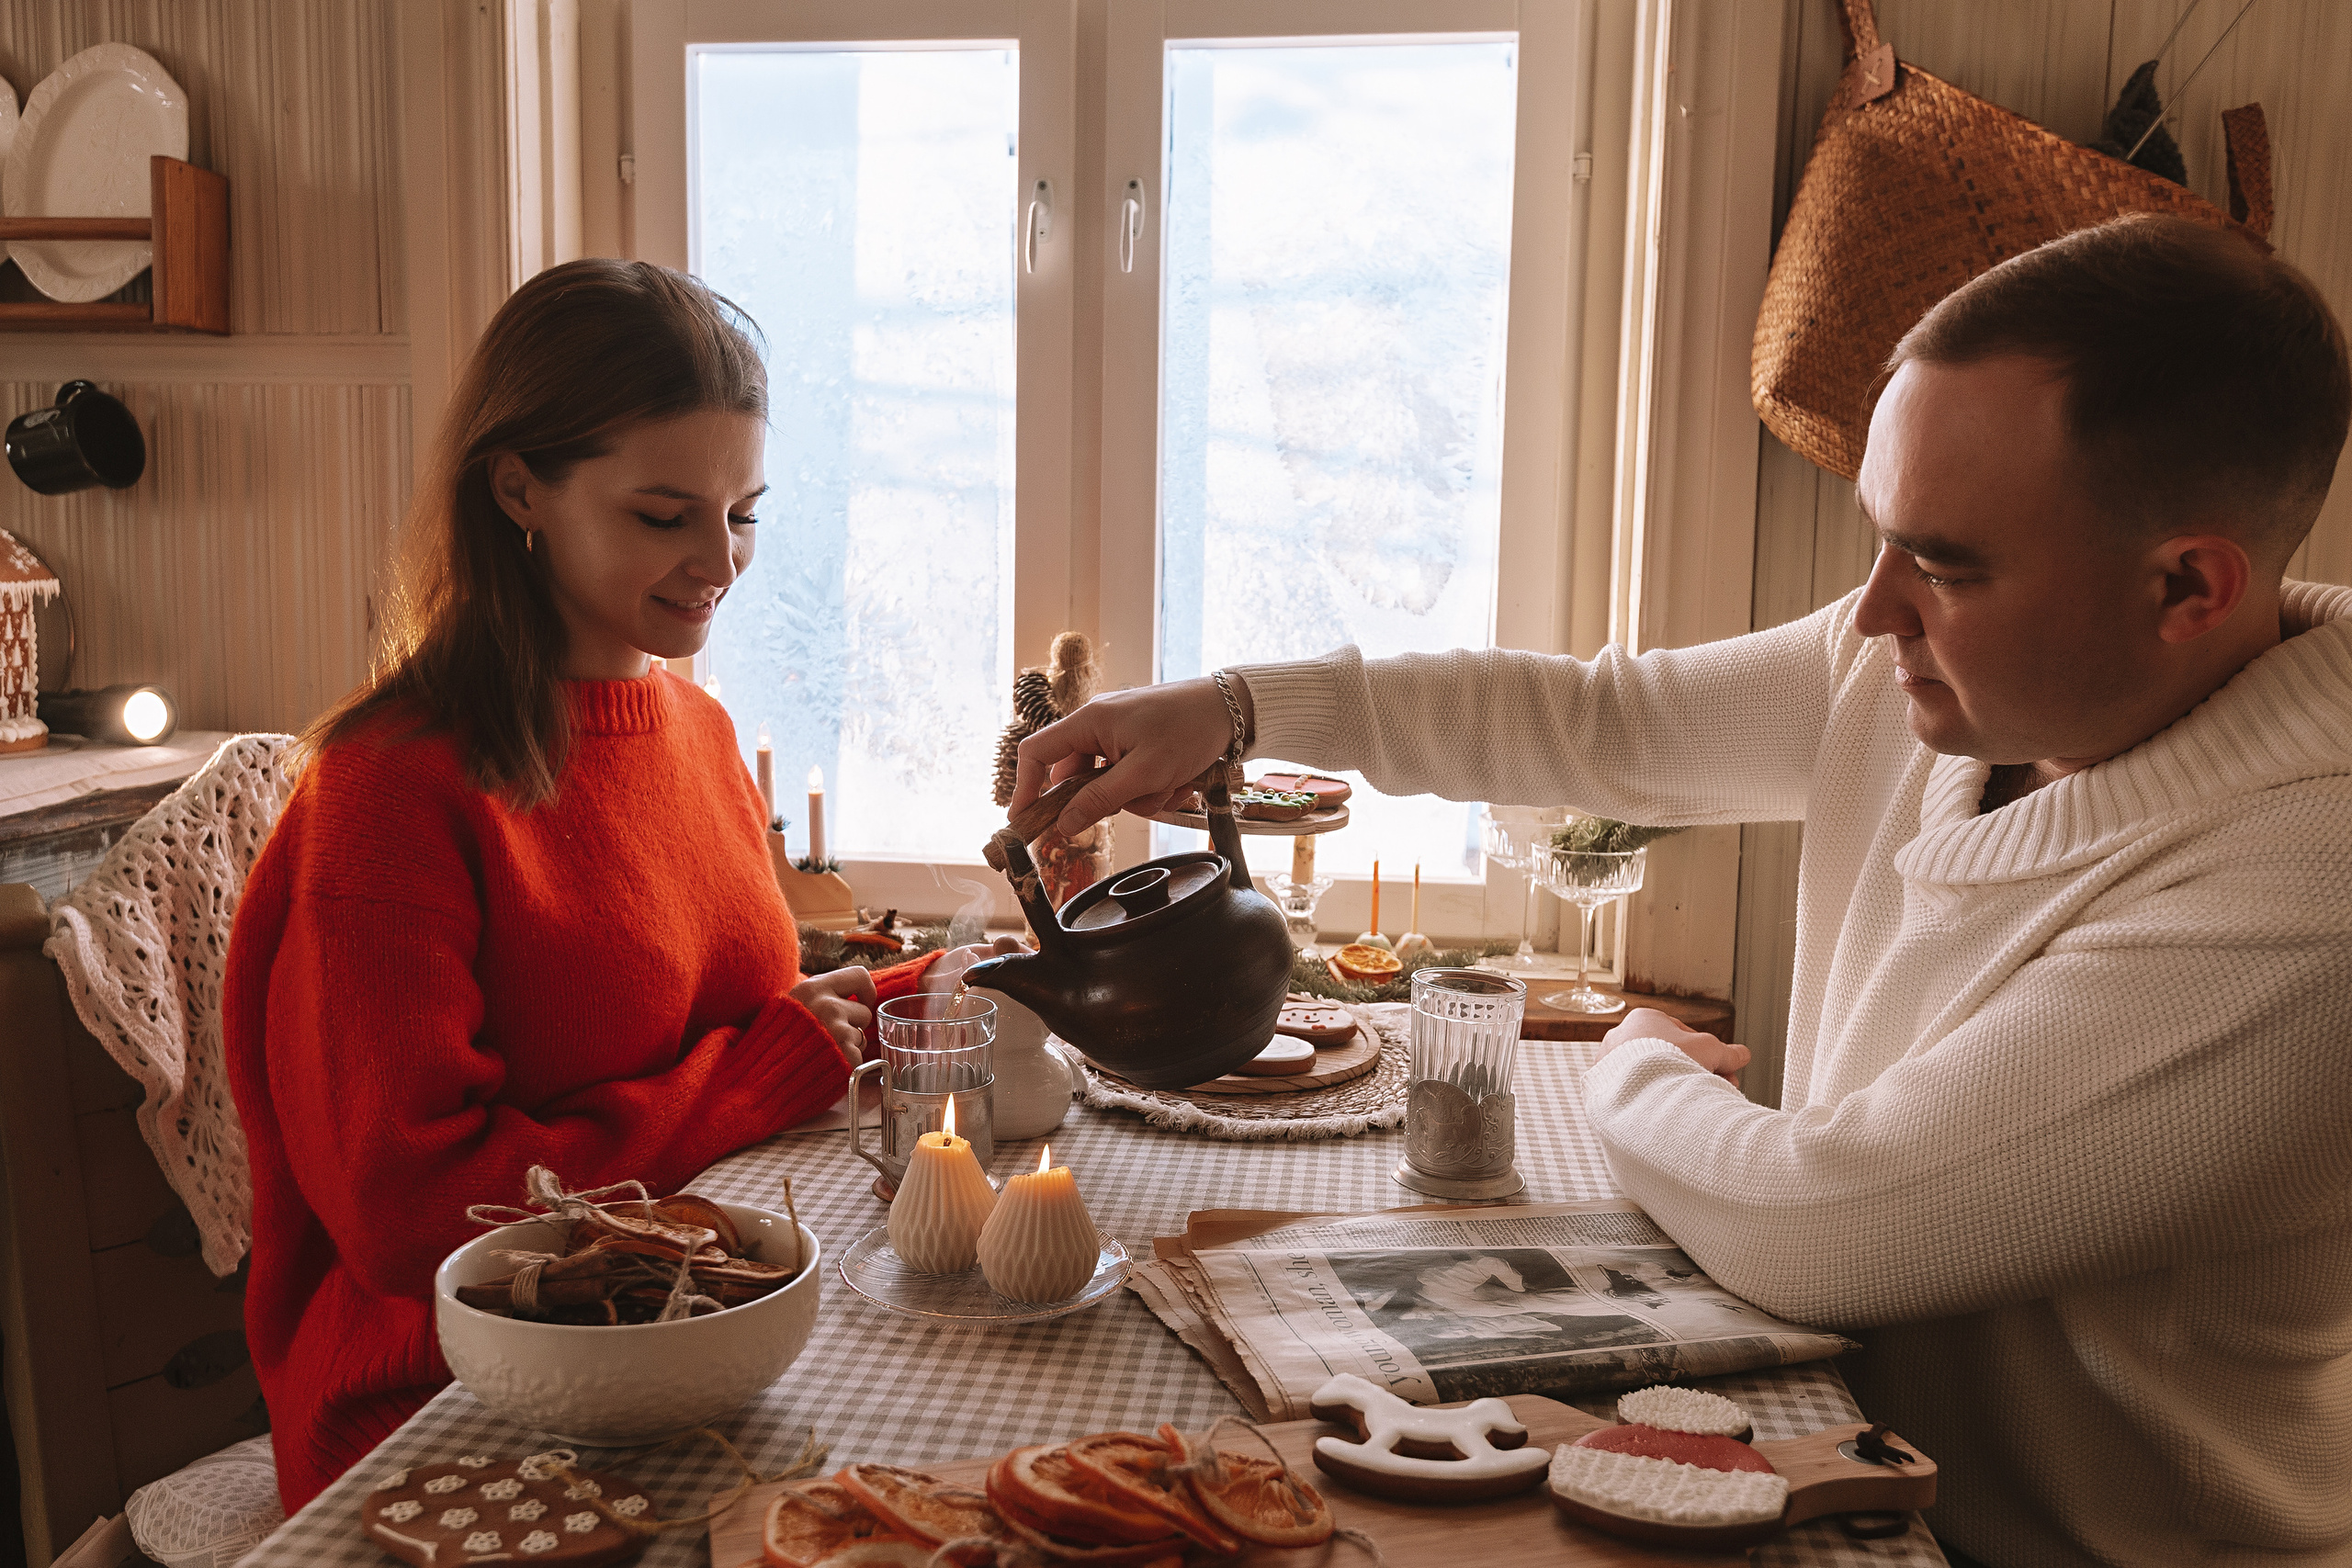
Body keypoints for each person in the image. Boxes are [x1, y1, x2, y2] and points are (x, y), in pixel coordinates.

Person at [1011, 215, 2352, 1567]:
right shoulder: (1948, 665)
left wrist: (1635, 1068)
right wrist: (1239, 708)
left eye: (1945, 564)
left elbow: (1819, 1225)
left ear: (2188, 585)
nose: (1872, 608)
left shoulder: (2309, 891)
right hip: (1871, 1467)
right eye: (1881, 541)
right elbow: (1607, 725)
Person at [223, 260, 1012, 1511]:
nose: (720, 560)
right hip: (459, 1402)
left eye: (744, 512)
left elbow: (717, 1028)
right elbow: (413, 1209)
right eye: (664, 515)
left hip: (695, 1333)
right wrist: (752, 1084)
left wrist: (960, 984)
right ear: (518, 486)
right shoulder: (389, 791)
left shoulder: (691, 728)